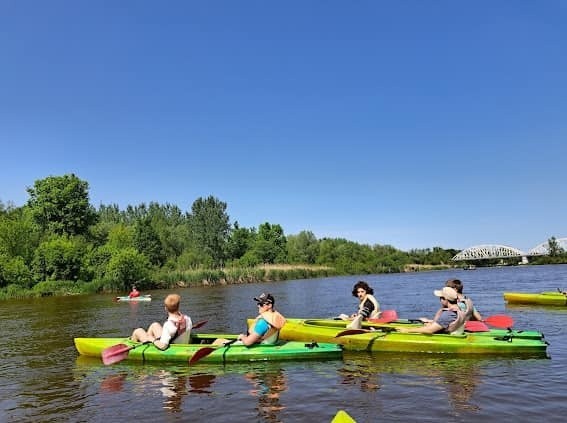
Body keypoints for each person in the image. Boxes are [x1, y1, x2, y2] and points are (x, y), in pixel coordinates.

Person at [397, 286, 466, 335]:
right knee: (427, 325)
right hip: (455, 333)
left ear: (445, 299)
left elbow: (429, 330)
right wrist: (430, 323)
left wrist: (408, 330)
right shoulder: (458, 308)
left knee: (425, 328)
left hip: (450, 338)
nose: (439, 300)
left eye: (440, 298)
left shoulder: (448, 314)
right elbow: (445, 323)